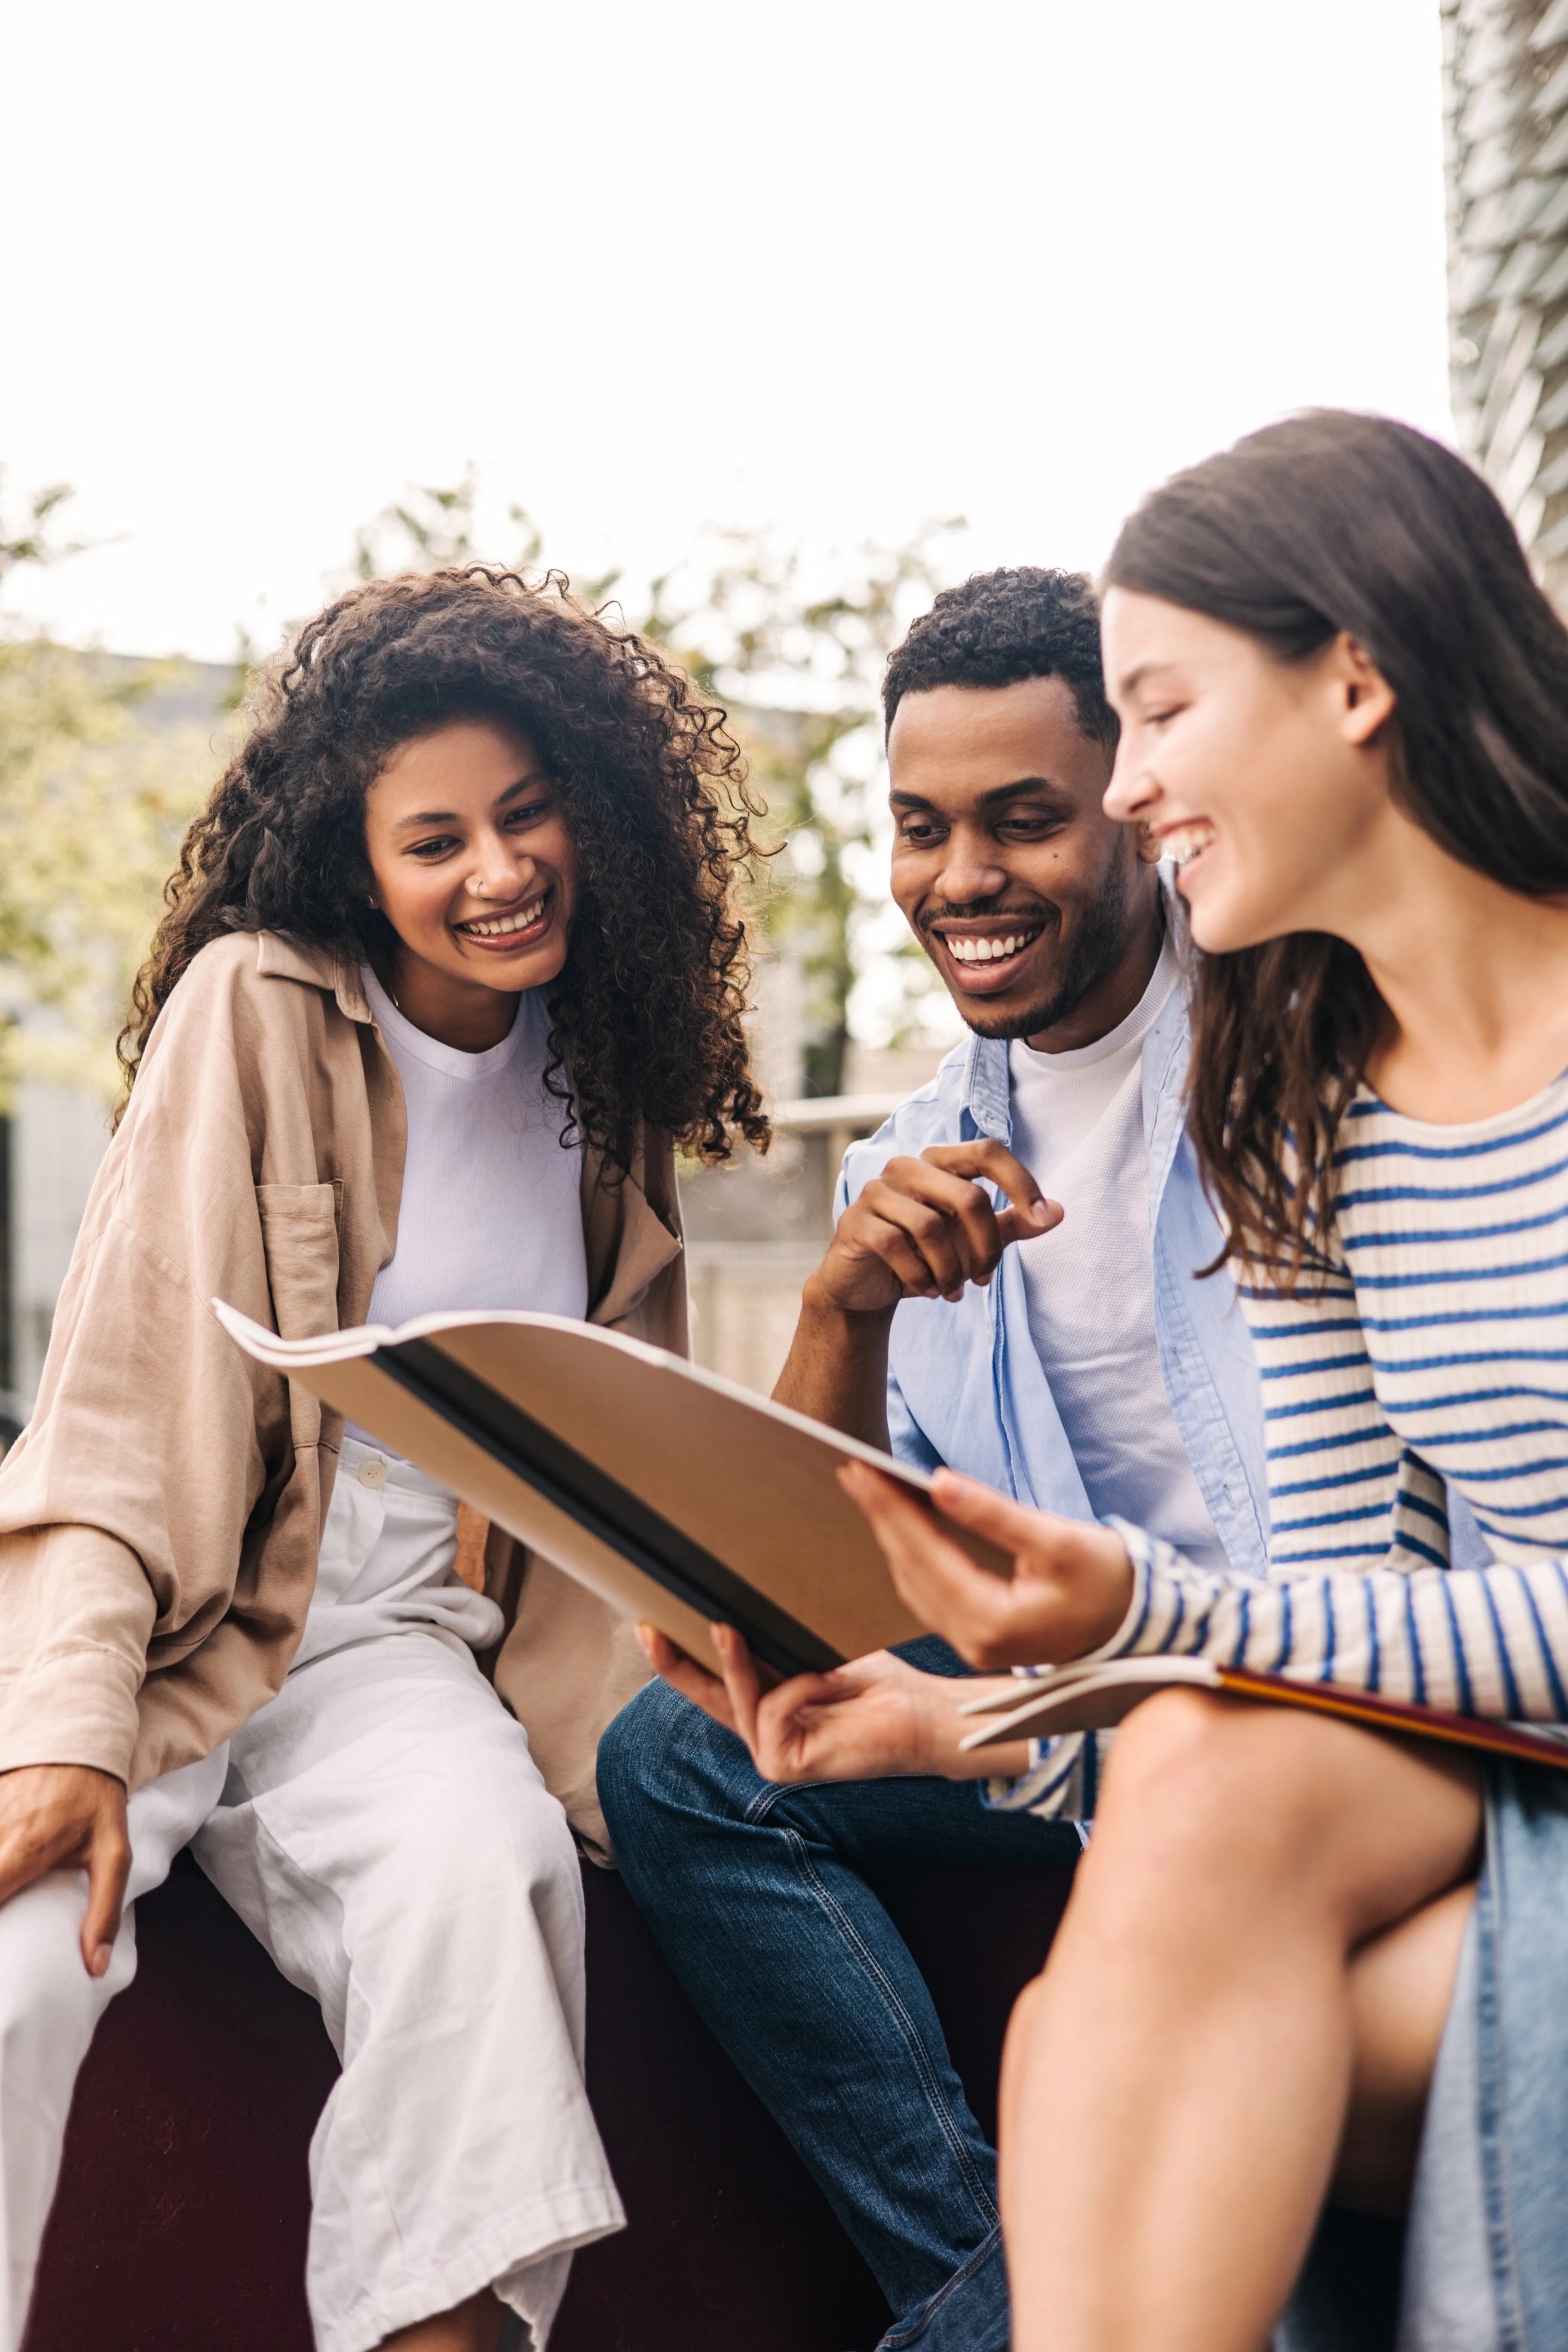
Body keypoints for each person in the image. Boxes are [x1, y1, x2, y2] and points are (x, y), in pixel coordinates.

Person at [693, 413, 1568, 2349]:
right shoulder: (1312, 1094)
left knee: (1217, 2032)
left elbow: (1287, 1623)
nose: (1140, 779)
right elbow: (1325, 1647)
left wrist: (1122, 1627)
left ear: (1357, 678)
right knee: (1174, 1768)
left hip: (1503, 1742)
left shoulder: (1254, 1070)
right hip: (1453, 1751)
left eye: (1157, 715)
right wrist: (997, 1721)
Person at [0, 565, 767, 2352]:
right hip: (177, 1583)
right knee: (29, 1953)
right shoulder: (259, 1004)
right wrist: (66, 1727)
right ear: (360, 866)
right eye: (436, 841)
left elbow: (621, 1456)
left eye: (527, 812)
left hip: (407, 1630)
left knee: (486, 1882)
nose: (497, 871)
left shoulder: (614, 1073)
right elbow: (115, 1408)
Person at [598, 567, 1274, 2352]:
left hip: (1279, 1705)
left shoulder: (1291, 1056)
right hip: (1044, 1717)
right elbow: (815, 1600)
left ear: (1132, 811)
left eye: (1022, 821)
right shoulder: (916, 1145)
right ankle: (987, 2289)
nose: (958, 879)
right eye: (919, 829)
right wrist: (841, 1308)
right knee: (683, 1755)